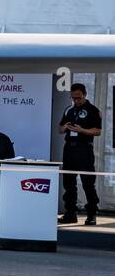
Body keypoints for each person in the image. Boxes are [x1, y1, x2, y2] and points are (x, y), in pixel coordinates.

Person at [58, 83, 102, 225]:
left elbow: (97, 131)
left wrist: (82, 130)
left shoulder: (93, 110)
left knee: (88, 182)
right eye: (73, 98)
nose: (76, 101)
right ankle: (70, 213)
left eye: (78, 98)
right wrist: (64, 128)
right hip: (69, 148)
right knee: (68, 182)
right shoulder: (69, 109)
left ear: (84, 94)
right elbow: (60, 128)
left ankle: (91, 214)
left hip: (84, 148)